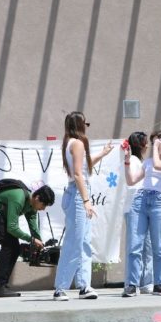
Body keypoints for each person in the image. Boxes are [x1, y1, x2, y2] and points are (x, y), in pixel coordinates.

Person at [53, 112, 114, 301]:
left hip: (77, 193)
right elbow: (79, 174)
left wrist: (103, 153)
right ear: (80, 124)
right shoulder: (77, 143)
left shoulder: (70, 143)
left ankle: (84, 286)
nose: (87, 126)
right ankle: (60, 288)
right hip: (79, 194)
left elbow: (84, 168)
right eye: (85, 123)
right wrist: (86, 200)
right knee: (75, 242)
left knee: (84, 242)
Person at [123, 129, 161, 297]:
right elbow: (131, 180)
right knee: (135, 245)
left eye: (158, 142)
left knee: (158, 247)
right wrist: (127, 162)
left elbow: (159, 165)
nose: (154, 146)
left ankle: (158, 284)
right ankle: (132, 285)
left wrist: (156, 148)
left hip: (160, 202)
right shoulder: (148, 162)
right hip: (140, 200)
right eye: (154, 142)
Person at [0, 183, 55, 297]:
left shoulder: (32, 206)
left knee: (15, 249)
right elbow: (12, 228)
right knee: (9, 245)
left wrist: (39, 243)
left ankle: (3, 285)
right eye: (44, 205)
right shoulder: (19, 198)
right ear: (37, 198)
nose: (43, 209)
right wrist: (31, 240)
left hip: (1, 216)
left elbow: (34, 228)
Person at [122, 132, 154, 295]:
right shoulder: (133, 161)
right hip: (136, 205)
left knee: (146, 246)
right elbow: (132, 183)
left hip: (143, 205)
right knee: (137, 246)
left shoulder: (139, 161)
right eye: (145, 143)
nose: (148, 145)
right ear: (140, 145)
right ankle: (134, 282)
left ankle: (145, 282)